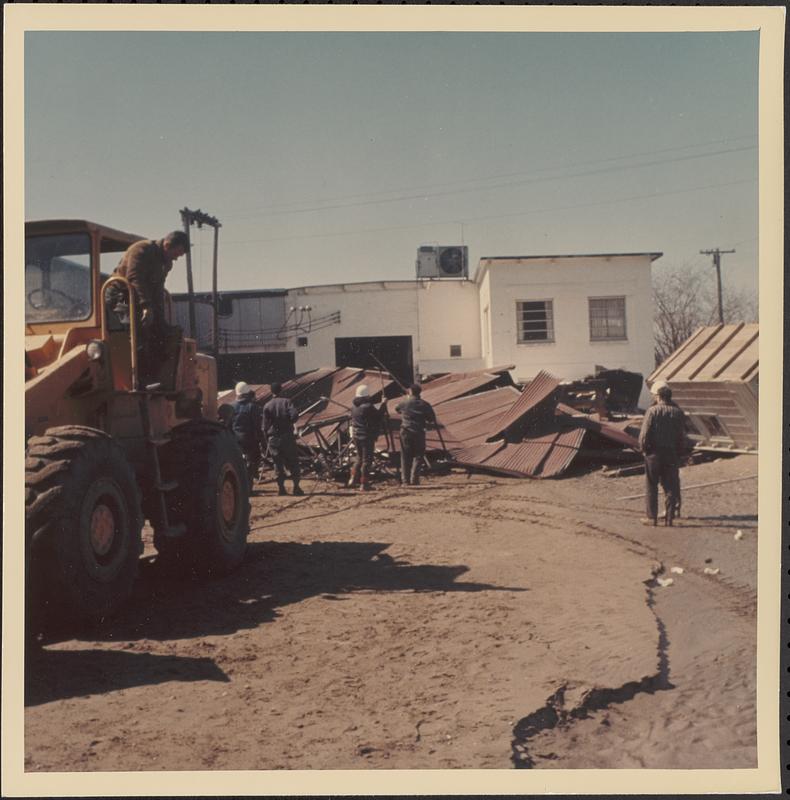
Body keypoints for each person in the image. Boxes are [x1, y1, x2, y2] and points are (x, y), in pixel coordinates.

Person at [110, 230, 189, 388]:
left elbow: (158, 290)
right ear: (167, 245)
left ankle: (158, 378)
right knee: (138, 330)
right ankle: (139, 379)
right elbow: (135, 279)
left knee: (164, 331)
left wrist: (160, 318)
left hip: (142, 299)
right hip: (120, 297)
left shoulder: (166, 263)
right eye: (176, 254)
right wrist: (146, 307)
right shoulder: (141, 250)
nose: (176, 258)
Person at [638, 381, 688, 526]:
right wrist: (679, 453)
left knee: (651, 485)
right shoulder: (678, 412)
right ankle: (670, 518)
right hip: (671, 454)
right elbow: (681, 437)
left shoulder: (652, 411)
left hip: (654, 454)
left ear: (659, 396)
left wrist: (644, 450)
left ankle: (651, 518)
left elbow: (644, 435)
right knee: (671, 486)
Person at [263, 381, 303, 497]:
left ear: (271, 392)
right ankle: (296, 488)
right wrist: (289, 422)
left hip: (273, 438)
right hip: (287, 436)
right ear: (281, 390)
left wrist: (267, 439)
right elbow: (294, 415)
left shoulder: (267, 405)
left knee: (277, 463)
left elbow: (264, 427)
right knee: (293, 462)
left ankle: (281, 489)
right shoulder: (287, 402)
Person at [395, 383, 437, 486]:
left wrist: (407, 399)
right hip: (418, 431)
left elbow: (397, 409)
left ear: (410, 392)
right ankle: (414, 478)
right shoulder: (425, 404)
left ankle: (405, 481)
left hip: (405, 431)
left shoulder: (404, 403)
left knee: (405, 456)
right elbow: (432, 419)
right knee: (418, 455)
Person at [347, 384, 381, 492]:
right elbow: (379, 416)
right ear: (366, 395)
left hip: (357, 435)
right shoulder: (368, 407)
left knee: (359, 458)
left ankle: (352, 480)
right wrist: (384, 404)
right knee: (367, 461)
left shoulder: (354, 407)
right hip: (366, 436)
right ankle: (364, 484)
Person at [231, 382, 264, 491]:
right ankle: (248, 488)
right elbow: (258, 426)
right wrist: (262, 441)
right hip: (250, 440)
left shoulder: (230, 407)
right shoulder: (253, 407)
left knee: (236, 464)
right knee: (251, 463)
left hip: (235, 440)